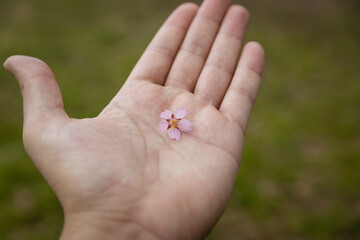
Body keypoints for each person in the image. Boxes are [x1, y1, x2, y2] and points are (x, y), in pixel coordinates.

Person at [3, 0, 264, 239]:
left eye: (174, 121)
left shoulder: (176, 124)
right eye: (172, 121)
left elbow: (176, 124)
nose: (173, 122)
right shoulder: (171, 124)